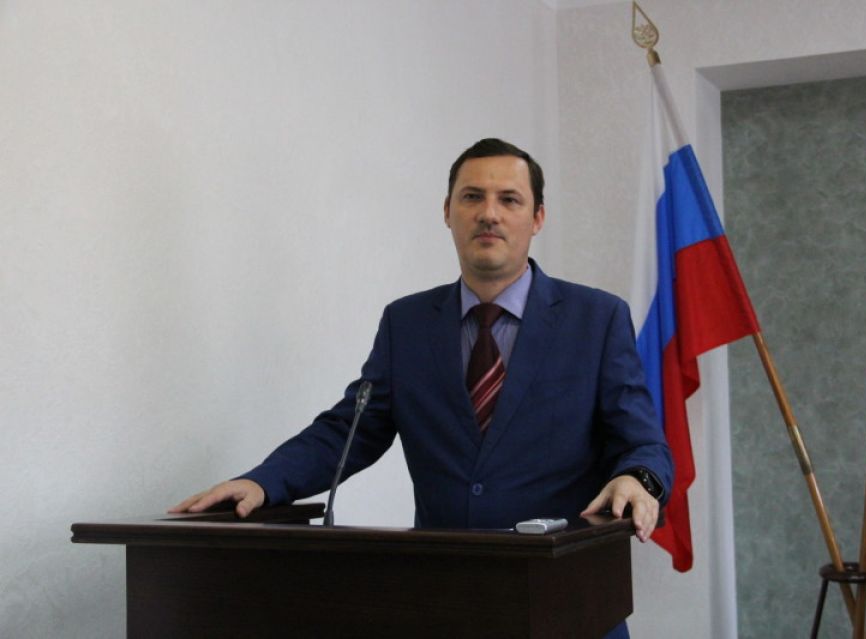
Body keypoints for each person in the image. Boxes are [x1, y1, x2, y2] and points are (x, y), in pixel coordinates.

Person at [171, 138, 673, 638]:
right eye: (472, 197)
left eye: (509, 199)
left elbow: (644, 442)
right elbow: (350, 429)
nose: (489, 214)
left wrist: (638, 479)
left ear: (538, 217)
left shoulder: (596, 319)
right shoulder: (406, 324)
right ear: (447, 212)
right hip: (443, 602)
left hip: (570, 606)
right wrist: (263, 482)